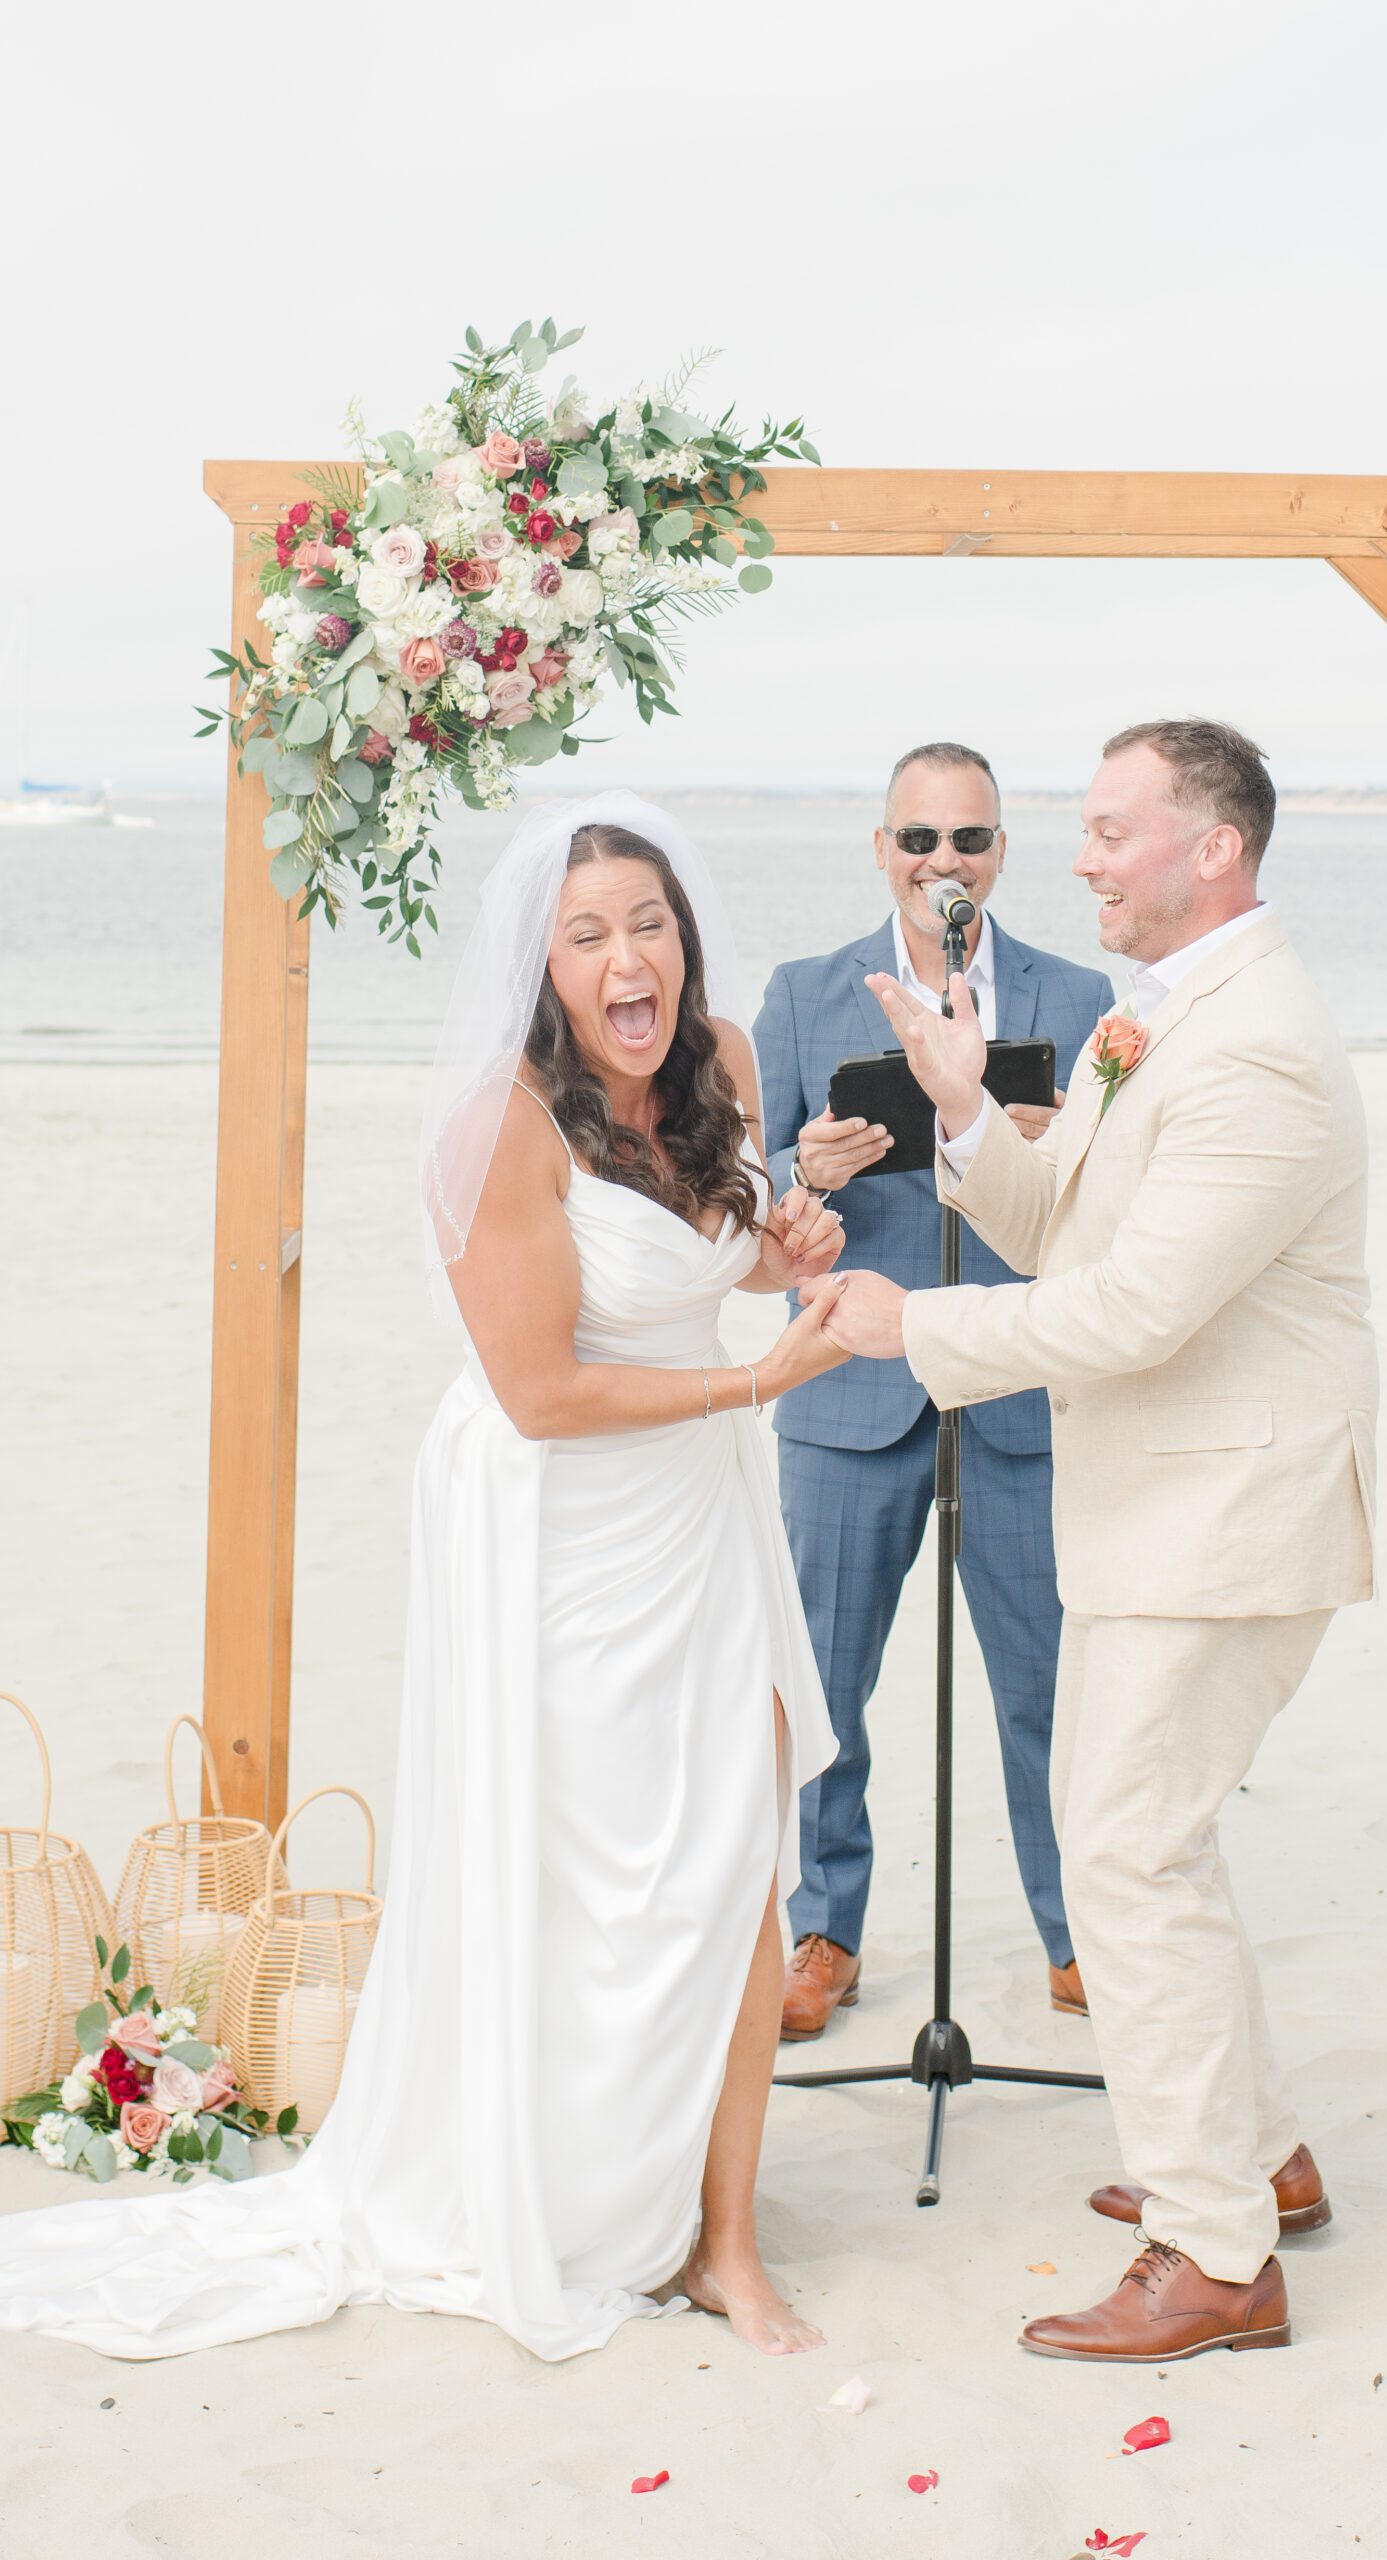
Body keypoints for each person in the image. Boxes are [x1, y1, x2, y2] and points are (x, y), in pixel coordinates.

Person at [0, 791, 851, 2363]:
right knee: (589, 1872)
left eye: (648, 923)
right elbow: (545, 1394)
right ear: (542, 963)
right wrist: (765, 1384)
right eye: (588, 934)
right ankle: (572, 2183)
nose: (628, 958)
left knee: (739, 1858)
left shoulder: (723, 1061)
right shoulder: (496, 1127)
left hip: (704, 1517)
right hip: (565, 1525)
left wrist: (784, 1241)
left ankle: (723, 2238)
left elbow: (717, 1258)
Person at [814, 720, 1377, 2361]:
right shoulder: (1166, 1019)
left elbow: (1127, 1312)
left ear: (1213, 847)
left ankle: (1215, 2258)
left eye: (1112, 830)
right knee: (1152, 1841)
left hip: (1229, 1511)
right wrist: (962, 1109)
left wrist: (898, 1325)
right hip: (1168, 1507)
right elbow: (1070, 1221)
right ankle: (1253, 2159)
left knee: (1124, 1850)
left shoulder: (1255, 1044)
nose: (1078, 858)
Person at [754, 742, 1113, 2038]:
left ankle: (1077, 1934)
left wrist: (1052, 1149)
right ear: (881, 852)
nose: (941, 864)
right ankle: (821, 1929)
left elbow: (1121, 1208)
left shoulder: (1080, 995)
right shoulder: (800, 996)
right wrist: (806, 1164)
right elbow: (747, 1207)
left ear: (1000, 855)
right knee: (824, 1687)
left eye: (966, 841)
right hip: (853, 1389)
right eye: (918, 840)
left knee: (1044, 1686)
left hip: (1019, 1387)